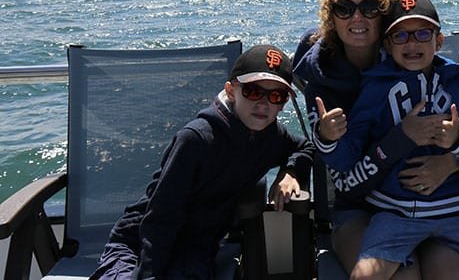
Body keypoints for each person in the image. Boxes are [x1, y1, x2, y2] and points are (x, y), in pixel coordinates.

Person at [318, 0, 459, 280]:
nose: (412, 44)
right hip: (395, 214)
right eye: (401, 36)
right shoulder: (375, 89)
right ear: (387, 44)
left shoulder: (457, 84)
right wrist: (328, 137)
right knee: (365, 275)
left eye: (423, 34)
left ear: (439, 41)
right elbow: (347, 157)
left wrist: (458, 141)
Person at [292, 0, 459, 279]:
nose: (357, 17)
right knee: (402, 276)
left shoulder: (411, 54)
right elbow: (344, 178)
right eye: (344, 8)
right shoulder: (322, 82)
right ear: (332, 17)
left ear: (386, 14)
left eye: (370, 7)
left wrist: (453, 162)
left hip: (425, 204)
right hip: (358, 206)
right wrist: (401, 138)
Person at [91, 44, 314, 279]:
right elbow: (161, 218)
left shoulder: (271, 136)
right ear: (231, 90)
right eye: (253, 91)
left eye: (276, 96)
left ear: (283, 104)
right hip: (139, 245)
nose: (264, 103)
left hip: (196, 248)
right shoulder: (196, 140)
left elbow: (304, 147)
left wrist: (290, 171)